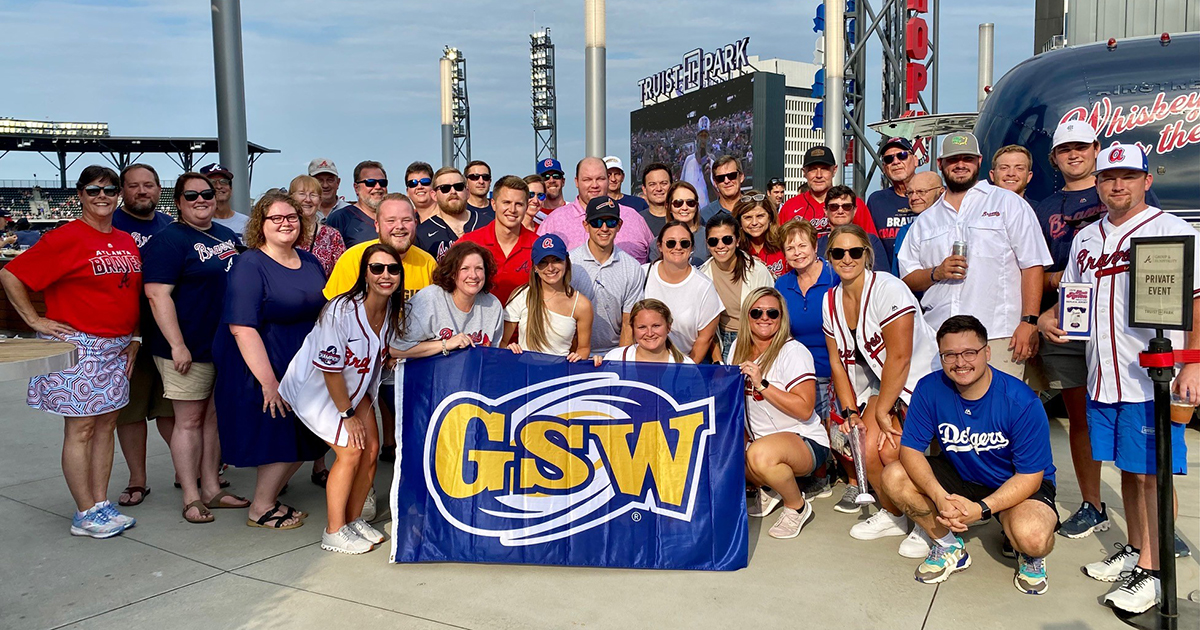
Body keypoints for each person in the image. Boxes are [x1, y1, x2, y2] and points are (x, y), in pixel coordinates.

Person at [1042, 144, 1197, 613]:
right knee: (1130, 471)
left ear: (1146, 180)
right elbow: (1076, 298)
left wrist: (1194, 363)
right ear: (1098, 181)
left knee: (1152, 472)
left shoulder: (1173, 230)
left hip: (1152, 376)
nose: (1117, 184)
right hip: (1104, 373)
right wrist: (1051, 317)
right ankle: (1136, 547)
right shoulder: (1088, 238)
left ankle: (1152, 569)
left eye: (1129, 176)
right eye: (1110, 176)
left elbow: (1196, 299)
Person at [1032, 121, 1159, 542]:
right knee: (1085, 421)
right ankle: (1095, 507)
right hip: (1080, 328)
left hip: (1140, 346)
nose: (1073, 154)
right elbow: (1063, 279)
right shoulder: (1056, 211)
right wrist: (1046, 314)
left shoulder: (1154, 217)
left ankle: (1159, 533)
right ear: (1054, 157)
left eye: (1081, 147)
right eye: (1064, 148)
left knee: (1147, 446)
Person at [0, 165, 142, 538]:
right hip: (80, 345)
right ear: (80, 194)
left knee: (107, 424)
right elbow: (11, 274)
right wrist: (36, 320)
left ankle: (99, 503)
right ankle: (84, 510)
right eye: (94, 190)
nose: (102, 197)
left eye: (110, 190)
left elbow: (129, 292)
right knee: (81, 429)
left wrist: (135, 337)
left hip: (115, 347)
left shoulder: (126, 240)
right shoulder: (65, 237)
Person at [882, 315, 1058, 595]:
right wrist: (940, 497)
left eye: (969, 353)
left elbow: (1030, 476)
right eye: (949, 355)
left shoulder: (1021, 401)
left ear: (987, 353)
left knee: (1033, 538)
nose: (960, 362)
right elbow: (911, 450)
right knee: (893, 475)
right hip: (962, 476)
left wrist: (982, 509)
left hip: (1014, 483)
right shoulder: (929, 389)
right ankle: (949, 545)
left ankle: (1023, 549)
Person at [822, 224, 941, 555]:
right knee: (865, 443)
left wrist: (882, 410)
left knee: (893, 451)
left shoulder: (889, 288)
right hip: (880, 387)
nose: (847, 258)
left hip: (921, 383)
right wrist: (849, 411)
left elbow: (900, 358)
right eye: (838, 252)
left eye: (854, 251)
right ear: (829, 257)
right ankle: (894, 514)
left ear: (867, 254)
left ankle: (927, 523)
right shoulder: (830, 300)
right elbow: (837, 363)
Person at [213, 192, 327, 530]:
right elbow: (242, 327)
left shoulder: (309, 261)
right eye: (275, 218)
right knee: (280, 438)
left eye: (291, 217)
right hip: (265, 364)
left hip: (303, 365)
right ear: (260, 225)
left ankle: (268, 499)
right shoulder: (250, 264)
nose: (285, 223)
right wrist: (268, 383)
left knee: (308, 437)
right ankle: (261, 507)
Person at [280, 243, 404, 554]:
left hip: (353, 389)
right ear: (365, 273)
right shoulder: (342, 309)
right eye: (377, 268)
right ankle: (333, 531)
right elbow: (330, 370)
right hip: (317, 389)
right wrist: (347, 415)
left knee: (372, 448)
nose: (385, 275)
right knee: (350, 451)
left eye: (393, 269)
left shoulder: (390, 309)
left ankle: (352, 520)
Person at [897, 132, 1051, 380]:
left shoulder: (1008, 203)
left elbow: (1032, 265)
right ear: (941, 164)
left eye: (967, 159)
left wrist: (1029, 322)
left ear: (979, 161)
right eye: (953, 159)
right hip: (940, 335)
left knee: (999, 414)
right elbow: (907, 277)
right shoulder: (925, 220)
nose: (960, 165)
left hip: (998, 334)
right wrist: (937, 273)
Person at [142, 172, 248, 524]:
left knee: (213, 420)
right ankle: (190, 495)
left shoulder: (224, 234)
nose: (201, 200)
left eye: (206, 193)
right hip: (186, 346)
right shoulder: (168, 240)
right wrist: (177, 345)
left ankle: (212, 487)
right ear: (179, 201)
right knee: (188, 421)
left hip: (222, 343)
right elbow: (157, 295)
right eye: (192, 196)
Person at [324, 193, 436, 478]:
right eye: (391, 220)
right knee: (362, 444)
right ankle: (363, 500)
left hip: (405, 362)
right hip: (358, 366)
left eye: (406, 220)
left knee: (415, 432)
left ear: (416, 223)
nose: (399, 227)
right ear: (376, 224)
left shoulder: (426, 263)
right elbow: (332, 319)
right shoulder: (354, 259)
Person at [733, 287, 826, 539]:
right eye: (757, 312)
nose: (765, 318)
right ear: (747, 316)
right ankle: (772, 487)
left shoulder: (793, 351)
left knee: (760, 455)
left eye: (772, 313)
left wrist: (763, 384)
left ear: (781, 317)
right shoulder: (736, 350)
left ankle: (796, 505)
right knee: (723, 454)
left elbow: (805, 408)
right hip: (760, 441)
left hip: (804, 439)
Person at [111, 163, 175, 508]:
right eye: (133, 186)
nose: (141, 191)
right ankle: (138, 479)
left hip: (166, 333)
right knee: (132, 413)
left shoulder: (169, 225)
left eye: (148, 185)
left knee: (172, 410)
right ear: (123, 190)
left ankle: (186, 471)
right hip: (126, 337)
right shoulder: (112, 224)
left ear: (158, 189)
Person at [393, 240, 504, 357]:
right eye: (464, 268)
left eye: (479, 268)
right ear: (452, 273)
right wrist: (445, 344)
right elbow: (396, 348)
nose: (473, 275)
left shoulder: (493, 305)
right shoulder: (429, 299)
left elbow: (492, 355)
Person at [537, 158, 655, 263]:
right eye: (587, 179)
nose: (594, 185)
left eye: (600, 179)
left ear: (608, 180)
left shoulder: (633, 217)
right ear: (576, 182)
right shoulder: (554, 222)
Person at [569, 196, 646, 356]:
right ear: (586, 225)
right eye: (596, 222)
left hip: (613, 353)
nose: (604, 228)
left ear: (619, 225)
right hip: (573, 354)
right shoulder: (569, 264)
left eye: (610, 222)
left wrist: (617, 361)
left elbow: (628, 323)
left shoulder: (632, 267)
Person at [642, 221, 722, 363]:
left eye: (684, 243)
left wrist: (685, 370)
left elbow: (705, 338)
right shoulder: (642, 274)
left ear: (691, 247)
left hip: (684, 362)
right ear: (660, 246)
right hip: (642, 361)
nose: (677, 247)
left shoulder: (704, 286)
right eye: (671, 243)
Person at [504, 233, 593, 360]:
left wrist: (577, 359)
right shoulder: (521, 296)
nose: (550, 268)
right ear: (535, 267)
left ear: (566, 262)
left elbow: (584, 348)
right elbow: (501, 342)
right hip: (525, 373)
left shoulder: (582, 305)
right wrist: (509, 352)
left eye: (556, 260)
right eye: (543, 262)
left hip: (560, 376)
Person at [700, 213, 773, 363]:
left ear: (737, 241)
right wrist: (717, 359)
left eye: (727, 240)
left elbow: (771, 313)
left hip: (753, 338)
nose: (720, 246)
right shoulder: (702, 274)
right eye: (713, 241)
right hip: (718, 342)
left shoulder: (757, 271)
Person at [459, 175, 539, 306]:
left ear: (526, 207)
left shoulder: (537, 246)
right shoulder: (468, 243)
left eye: (519, 204)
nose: (512, 210)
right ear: (494, 204)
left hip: (524, 326)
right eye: (506, 202)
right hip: (478, 324)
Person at [779, 146, 879, 238]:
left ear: (834, 170)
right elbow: (778, 246)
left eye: (824, 169)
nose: (819, 175)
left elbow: (871, 244)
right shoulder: (790, 207)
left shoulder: (851, 204)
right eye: (813, 170)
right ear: (804, 172)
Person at [418, 167, 490, 261]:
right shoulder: (421, 233)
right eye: (445, 188)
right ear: (434, 195)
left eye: (458, 187)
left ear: (467, 192)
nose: (453, 192)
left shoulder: (489, 224)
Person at [865, 138, 918, 260]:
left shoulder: (935, 195)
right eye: (889, 159)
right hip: (889, 276)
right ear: (884, 168)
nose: (896, 162)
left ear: (915, 160)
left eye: (902, 155)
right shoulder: (876, 200)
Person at [816, 186, 890, 272]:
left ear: (854, 210)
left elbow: (882, 276)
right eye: (834, 207)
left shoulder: (871, 241)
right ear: (825, 210)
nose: (840, 211)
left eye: (846, 206)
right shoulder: (816, 245)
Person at [596, 299, 694, 364]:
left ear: (668, 327)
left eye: (656, 326)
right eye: (642, 327)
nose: (650, 333)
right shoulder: (614, 358)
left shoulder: (686, 365)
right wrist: (593, 368)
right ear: (633, 329)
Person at [290, 175, 346, 277]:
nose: (308, 200)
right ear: (291, 198)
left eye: (313, 195)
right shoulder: (282, 232)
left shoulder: (332, 236)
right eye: (302, 194)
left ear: (320, 201)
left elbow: (341, 276)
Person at [891, 172, 943, 277]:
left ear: (941, 192)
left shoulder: (957, 224)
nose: (914, 198)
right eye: (910, 193)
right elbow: (898, 276)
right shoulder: (906, 231)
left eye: (921, 192)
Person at [326, 160, 387, 248]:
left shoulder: (397, 218)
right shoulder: (340, 219)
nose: (378, 187)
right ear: (356, 188)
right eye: (370, 182)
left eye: (382, 182)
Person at [733, 192, 786, 278]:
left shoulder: (784, 244)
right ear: (739, 221)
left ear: (770, 217)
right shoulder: (733, 250)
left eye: (760, 216)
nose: (754, 223)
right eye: (748, 217)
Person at [666, 181, 708, 265]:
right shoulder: (659, 242)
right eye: (678, 203)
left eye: (690, 203)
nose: (684, 208)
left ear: (696, 206)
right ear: (669, 207)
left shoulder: (709, 236)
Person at [200, 163, 249, 238]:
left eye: (224, 182)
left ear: (231, 188)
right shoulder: (197, 224)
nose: (219, 186)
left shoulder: (247, 223)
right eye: (212, 182)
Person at [680, 115, 716, 208]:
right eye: (701, 136)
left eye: (705, 136)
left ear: (709, 139)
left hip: (706, 212)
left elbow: (715, 197)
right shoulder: (688, 161)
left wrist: (708, 181)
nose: (703, 139)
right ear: (696, 138)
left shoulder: (712, 163)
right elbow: (681, 185)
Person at [698, 156, 745, 223]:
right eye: (720, 178)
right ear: (715, 183)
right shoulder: (705, 215)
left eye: (732, 175)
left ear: (741, 177)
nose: (727, 181)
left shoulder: (755, 207)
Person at [309, 158, 350, 224]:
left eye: (330, 180)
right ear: (309, 183)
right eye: (319, 180)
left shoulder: (351, 212)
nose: (325, 185)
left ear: (338, 182)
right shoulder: (301, 213)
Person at [638, 162, 672, 238]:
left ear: (671, 186)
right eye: (652, 184)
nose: (659, 189)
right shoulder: (638, 221)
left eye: (663, 183)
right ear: (644, 189)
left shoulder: (683, 217)